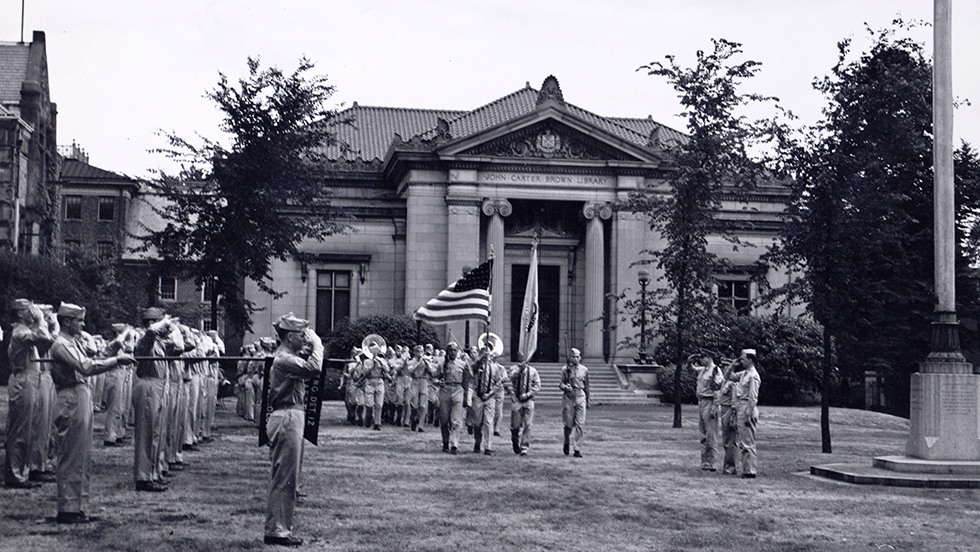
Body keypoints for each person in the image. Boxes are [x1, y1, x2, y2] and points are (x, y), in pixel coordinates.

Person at [48, 303, 134, 523]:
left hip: (80, 394)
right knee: (71, 454)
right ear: (67, 321)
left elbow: (97, 354)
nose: (83, 324)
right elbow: (86, 366)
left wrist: (114, 351)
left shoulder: (72, 342)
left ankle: (78, 507)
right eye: (79, 320)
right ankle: (67, 508)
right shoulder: (60, 344)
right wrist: (116, 361)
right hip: (70, 397)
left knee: (82, 455)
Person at [264, 312, 322, 547]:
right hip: (288, 416)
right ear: (289, 337)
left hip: (289, 414)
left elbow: (306, 360)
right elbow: (315, 368)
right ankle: (277, 530)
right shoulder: (285, 359)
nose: (305, 339)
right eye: (300, 334)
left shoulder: (287, 356)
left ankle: (279, 528)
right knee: (285, 478)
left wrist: (308, 347)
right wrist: (318, 344)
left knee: (287, 476)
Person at [132, 308, 183, 492]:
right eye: (162, 322)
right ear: (153, 322)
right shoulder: (145, 338)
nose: (167, 327)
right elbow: (151, 333)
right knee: (146, 434)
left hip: (160, 386)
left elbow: (182, 347)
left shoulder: (161, 341)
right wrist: (161, 324)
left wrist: (175, 329)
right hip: (148, 385)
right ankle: (143, 477)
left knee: (157, 434)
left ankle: (153, 473)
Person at [5, 299, 53, 489]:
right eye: (29, 310)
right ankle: (15, 475)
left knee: (30, 428)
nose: (33, 312)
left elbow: (48, 341)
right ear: (19, 314)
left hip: (31, 380)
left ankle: (23, 471)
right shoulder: (20, 331)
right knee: (20, 430)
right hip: (23, 380)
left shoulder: (25, 330)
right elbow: (42, 336)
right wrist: (41, 319)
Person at [725, 348, 762, 478]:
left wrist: (749, 412)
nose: (741, 361)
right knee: (743, 440)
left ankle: (750, 470)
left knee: (748, 441)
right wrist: (732, 366)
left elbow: (753, 396)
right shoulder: (744, 373)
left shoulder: (753, 375)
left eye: (743, 358)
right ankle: (747, 469)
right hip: (741, 405)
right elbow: (728, 377)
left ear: (751, 359)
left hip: (747, 406)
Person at [688, 352, 723, 471]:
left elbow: (718, 390)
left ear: (709, 358)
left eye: (702, 358)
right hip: (701, 402)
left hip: (710, 402)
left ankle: (712, 462)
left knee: (711, 434)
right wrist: (689, 361)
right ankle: (704, 462)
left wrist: (715, 406)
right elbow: (691, 370)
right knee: (703, 433)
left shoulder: (715, 371)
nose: (701, 360)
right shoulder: (703, 370)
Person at [469, 344, 505, 455]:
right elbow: (472, 369)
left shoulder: (495, 368)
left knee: (488, 422)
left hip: (489, 397)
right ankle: (477, 442)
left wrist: (490, 393)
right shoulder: (476, 366)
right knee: (477, 422)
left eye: (488, 354)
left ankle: (488, 446)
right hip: (478, 396)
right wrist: (480, 359)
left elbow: (498, 383)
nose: (486, 356)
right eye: (484, 354)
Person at [437, 343, 468, 454]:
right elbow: (435, 377)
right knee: (444, 419)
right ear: (447, 351)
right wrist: (438, 382)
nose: (453, 352)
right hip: (445, 390)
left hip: (458, 389)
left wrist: (465, 396)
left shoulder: (463, 364)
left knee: (456, 420)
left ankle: (455, 443)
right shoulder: (442, 364)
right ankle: (445, 442)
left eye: (455, 350)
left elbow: (466, 381)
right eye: (451, 350)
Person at [559, 347, 590, 458]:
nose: (576, 359)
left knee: (580, 424)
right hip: (568, 398)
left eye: (577, 357)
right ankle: (566, 441)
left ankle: (577, 448)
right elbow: (560, 384)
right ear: (570, 358)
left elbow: (587, 386)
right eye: (573, 357)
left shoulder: (584, 370)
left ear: (580, 358)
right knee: (568, 424)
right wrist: (565, 386)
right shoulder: (565, 369)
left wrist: (588, 400)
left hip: (580, 396)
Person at [508, 354, 540, 456]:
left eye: (524, 357)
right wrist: (519, 371)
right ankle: (515, 438)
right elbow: (511, 378)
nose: (522, 359)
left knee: (528, 424)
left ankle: (524, 447)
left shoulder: (533, 371)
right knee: (516, 425)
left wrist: (528, 394)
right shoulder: (513, 369)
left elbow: (537, 385)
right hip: (517, 400)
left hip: (528, 400)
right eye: (520, 357)